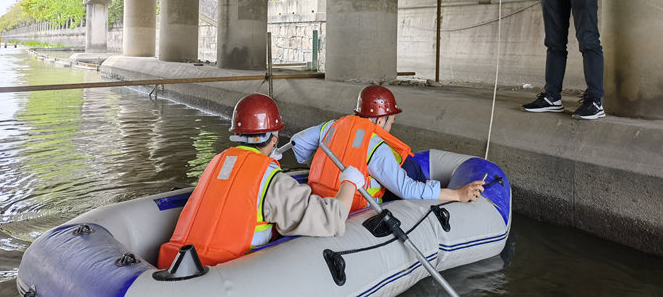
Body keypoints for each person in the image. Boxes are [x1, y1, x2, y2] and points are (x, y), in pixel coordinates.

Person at [157, 93, 364, 269]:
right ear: (274, 139)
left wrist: (265, 162)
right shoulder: (274, 182)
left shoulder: (218, 163)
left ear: (237, 134)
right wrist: (349, 182)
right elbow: (332, 219)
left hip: (178, 264)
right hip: (225, 275)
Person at [290, 85, 485, 213]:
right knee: (410, 167)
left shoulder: (331, 126)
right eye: (391, 121)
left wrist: (324, 165)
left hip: (319, 202)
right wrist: (458, 194)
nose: (391, 126)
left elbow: (297, 143)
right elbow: (407, 190)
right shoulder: (376, 147)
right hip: (353, 211)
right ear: (381, 120)